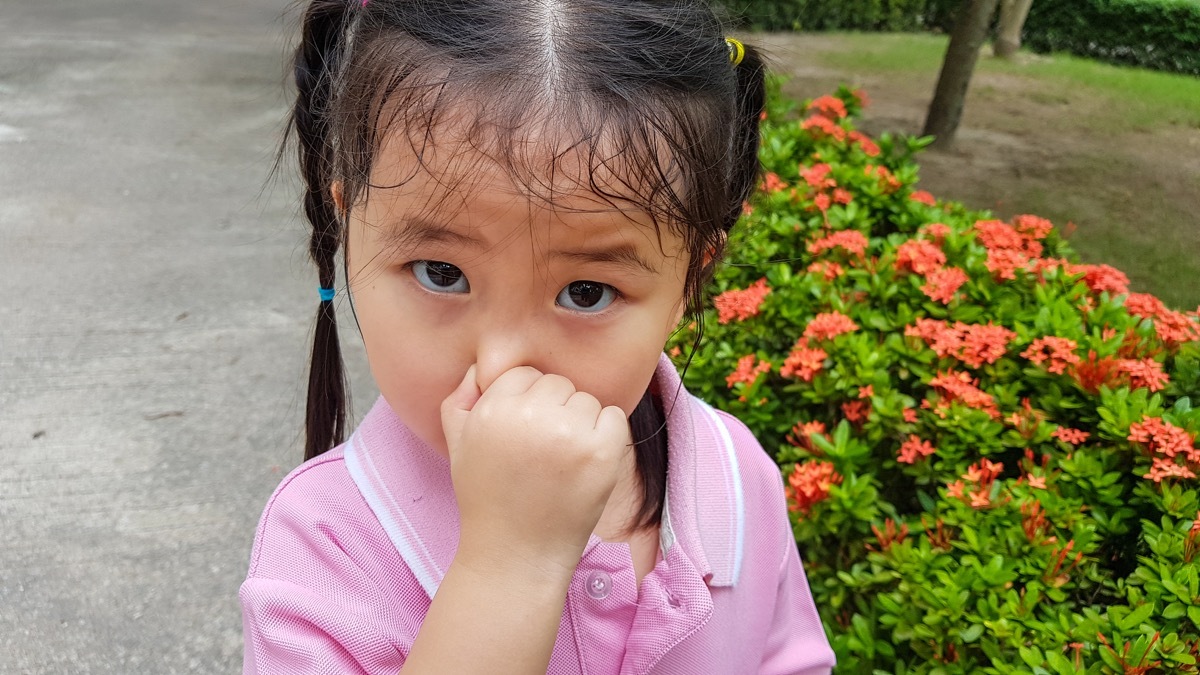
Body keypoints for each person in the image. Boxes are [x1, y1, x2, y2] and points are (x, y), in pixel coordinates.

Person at [239, 0, 836, 672]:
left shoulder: (733, 475)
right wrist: (509, 565)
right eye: (441, 273)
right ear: (350, 230)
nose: (501, 365)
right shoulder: (325, 543)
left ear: (689, 284)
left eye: (587, 292)